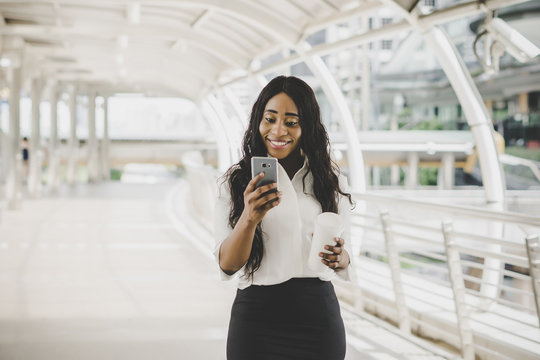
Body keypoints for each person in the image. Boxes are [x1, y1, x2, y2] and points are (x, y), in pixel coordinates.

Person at [214, 75, 354, 360]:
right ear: (258, 122)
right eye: (270, 119)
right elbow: (227, 266)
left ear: (307, 127)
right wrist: (250, 217)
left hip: (317, 317)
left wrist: (340, 258)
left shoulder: (329, 179)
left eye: (291, 122)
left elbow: (345, 254)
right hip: (256, 318)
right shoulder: (235, 182)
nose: (278, 131)